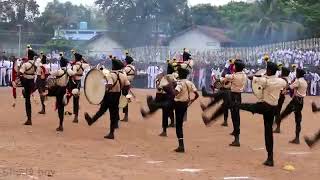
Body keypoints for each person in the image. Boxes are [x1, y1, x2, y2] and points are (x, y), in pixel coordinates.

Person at [238, 62, 287, 167]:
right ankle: (270, 158)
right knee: (268, 132)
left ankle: (233, 105)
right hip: (273, 108)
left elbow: (253, 78)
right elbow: (284, 82)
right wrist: (263, 76)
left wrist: (255, 76)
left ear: (269, 71)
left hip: (265, 107)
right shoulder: (281, 81)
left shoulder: (265, 81)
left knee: (248, 107)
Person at [84, 59, 130, 139]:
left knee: (102, 110)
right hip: (117, 95)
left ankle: (92, 121)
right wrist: (122, 89)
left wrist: (103, 86)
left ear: (113, 66)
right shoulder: (123, 75)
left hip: (109, 95)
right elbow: (127, 85)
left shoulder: (110, 75)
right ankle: (113, 129)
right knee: (114, 113)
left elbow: (109, 84)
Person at [141, 61, 177, 137]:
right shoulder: (169, 76)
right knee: (165, 110)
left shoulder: (168, 77)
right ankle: (167, 127)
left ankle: (165, 129)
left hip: (165, 96)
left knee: (162, 109)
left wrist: (165, 85)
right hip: (165, 96)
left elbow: (170, 85)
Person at [276, 68, 308, 144]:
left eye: (297, 73)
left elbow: (290, 87)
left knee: (284, 113)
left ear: (299, 74)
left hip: (295, 101)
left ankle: (276, 124)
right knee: (298, 120)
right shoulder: (304, 81)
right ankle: (297, 138)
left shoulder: (298, 81)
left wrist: (285, 89)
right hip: (301, 102)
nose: (296, 74)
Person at [173, 67, 199, 152]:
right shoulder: (189, 82)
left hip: (178, 104)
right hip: (185, 104)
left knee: (178, 125)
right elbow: (196, 94)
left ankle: (181, 145)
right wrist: (192, 100)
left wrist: (172, 93)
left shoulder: (180, 83)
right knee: (180, 123)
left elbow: (176, 92)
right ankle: (181, 145)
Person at [47, 56, 70, 131]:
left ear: (60, 64)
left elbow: (49, 73)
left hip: (59, 90)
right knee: (61, 107)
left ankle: (61, 125)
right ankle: (61, 124)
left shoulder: (58, 71)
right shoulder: (68, 71)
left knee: (60, 107)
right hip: (65, 90)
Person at [68, 50, 90, 123]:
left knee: (73, 98)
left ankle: (76, 117)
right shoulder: (84, 65)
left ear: (75, 59)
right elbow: (88, 64)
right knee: (76, 99)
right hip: (79, 82)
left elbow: (73, 73)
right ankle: (76, 115)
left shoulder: (75, 66)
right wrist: (82, 59)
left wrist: (69, 71)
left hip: (74, 82)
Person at [19, 45, 38, 125]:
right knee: (29, 97)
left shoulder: (25, 64)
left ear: (28, 56)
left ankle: (29, 119)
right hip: (32, 82)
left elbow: (20, 73)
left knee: (27, 101)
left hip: (26, 82)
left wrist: (21, 80)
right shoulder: (36, 64)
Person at [273, 67, 290, 133]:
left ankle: (278, 127)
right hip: (281, 96)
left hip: (279, 96)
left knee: (277, 112)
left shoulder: (282, 79)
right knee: (277, 112)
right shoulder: (286, 79)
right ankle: (277, 126)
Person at [121, 51, 136, 122]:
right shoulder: (133, 67)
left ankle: (125, 116)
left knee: (123, 99)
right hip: (128, 83)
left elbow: (121, 75)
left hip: (124, 85)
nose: (124, 62)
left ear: (126, 62)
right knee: (125, 99)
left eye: (124, 61)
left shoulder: (126, 68)